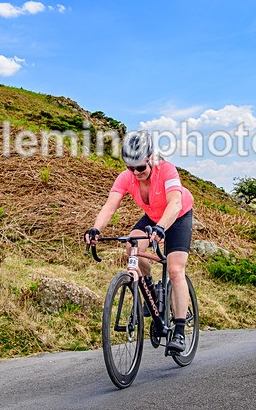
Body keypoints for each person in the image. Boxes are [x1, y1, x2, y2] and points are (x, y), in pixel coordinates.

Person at [84, 130, 194, 353]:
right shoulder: (127, 177)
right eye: (130, 168)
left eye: (140, 168)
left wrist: (162, 228)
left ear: (151, 158)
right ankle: (151, 293)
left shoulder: (167, 170)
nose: (136, 172)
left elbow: (174, 204)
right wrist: (96, 228)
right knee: (131, 246)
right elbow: (110, 206)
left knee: (174, 270)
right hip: (153, 217)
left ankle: (180, 331)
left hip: (178, 215)